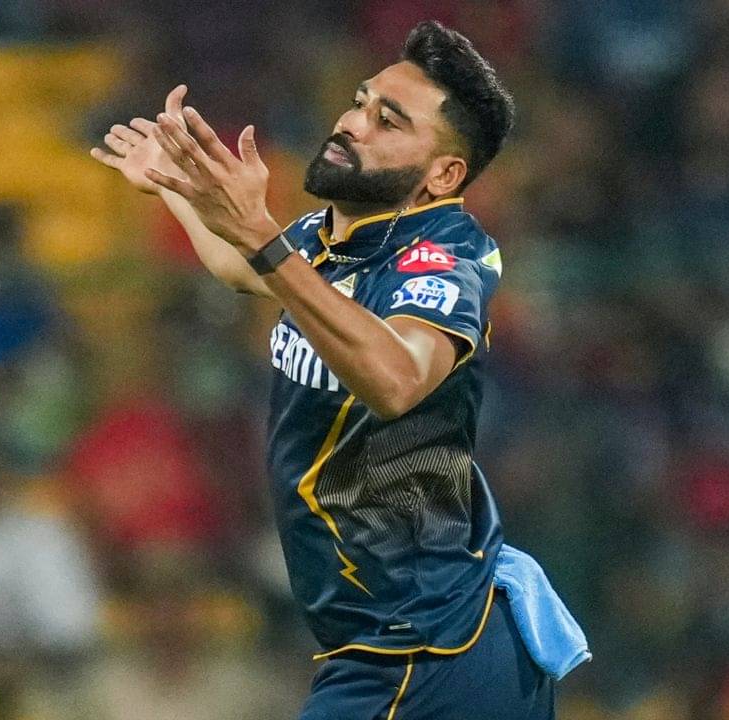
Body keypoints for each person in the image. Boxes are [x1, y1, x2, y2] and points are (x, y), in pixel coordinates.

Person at [92, 20, 580, 719]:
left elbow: (397, 379)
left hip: (426, 651)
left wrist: (262, 238)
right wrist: (173, 186)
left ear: (443, 175)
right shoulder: (332, 241)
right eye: (358, 102)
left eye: (388, 121)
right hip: (407, 642)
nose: (352, 123)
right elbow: (242, 265)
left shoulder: (444, 256)